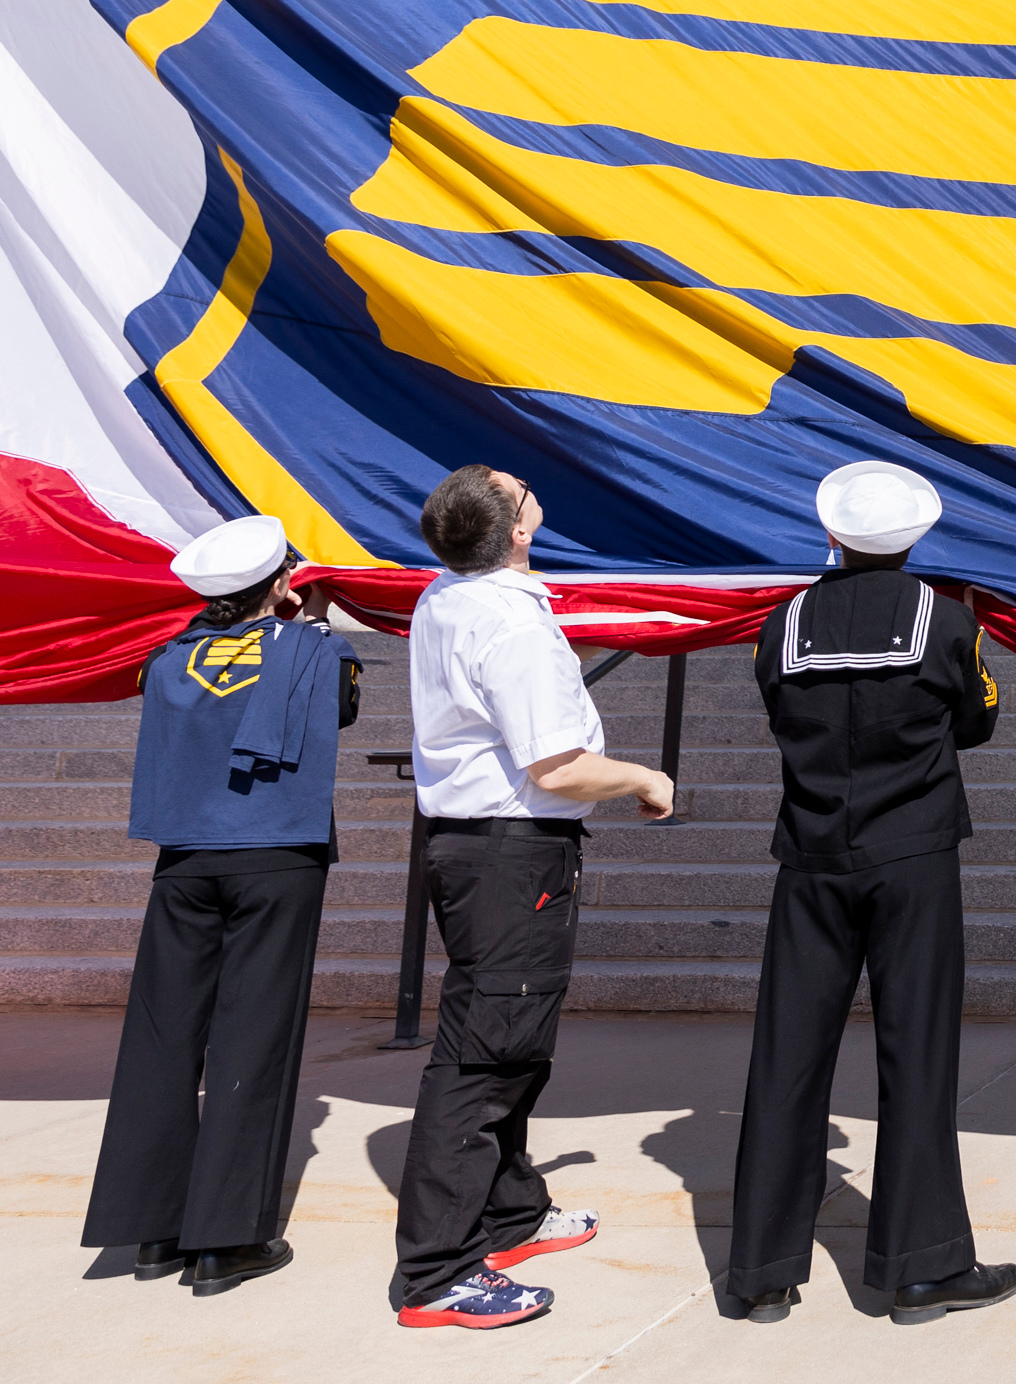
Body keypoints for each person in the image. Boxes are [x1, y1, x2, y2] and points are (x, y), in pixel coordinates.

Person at [729, 461, 1016, 1327]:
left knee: (786, 1058)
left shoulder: (782, 624)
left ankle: (762, 1273)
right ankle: (920, 1269)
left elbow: (778, 710)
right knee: (917, 1056)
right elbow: (978, 720)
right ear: (917, 538)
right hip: (914, 858)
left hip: (812, 856)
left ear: (833, 535)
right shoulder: (947, 622)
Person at [391, 465, 674, 1330]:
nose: (531, 492)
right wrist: (644, 778)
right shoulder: (507, 621)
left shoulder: (448, 596)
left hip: (480, 849)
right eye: (519, 492)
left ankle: (511, 1214)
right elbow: (556, 765)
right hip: (511, 857)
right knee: (484, 1057)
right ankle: (437, 1271)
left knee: (509, 1039)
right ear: (515, 530)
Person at [81, 515, 356, 1295]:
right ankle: (225, 1242)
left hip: (183, 862)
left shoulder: (166, 661)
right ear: (279, 584)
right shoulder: (315, 649)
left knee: (162, 1040)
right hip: (276, 857)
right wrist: (309, 624)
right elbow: (340, 710)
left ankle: (152, 1231)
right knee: (252, 1039)